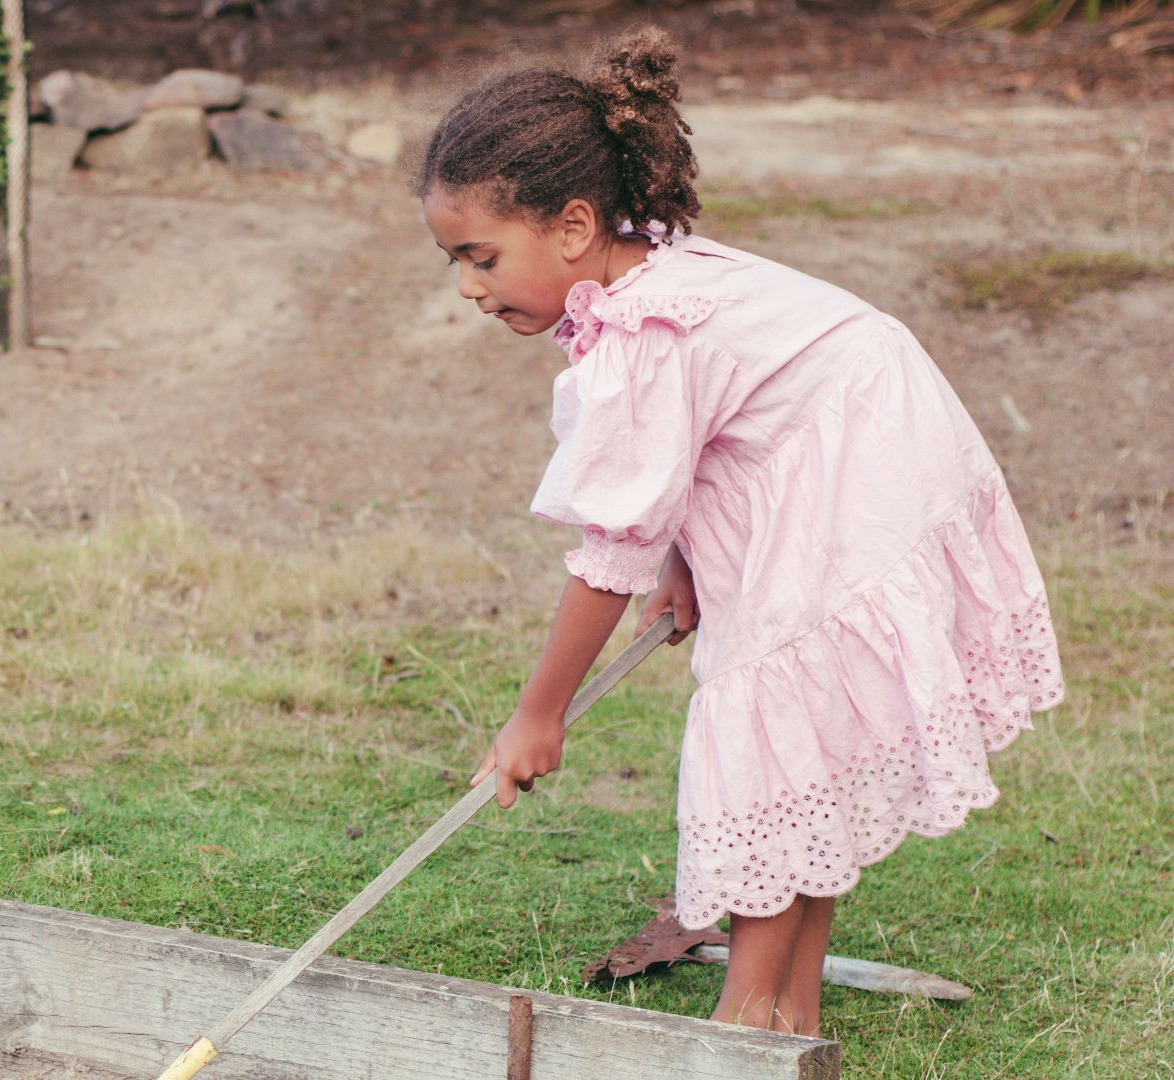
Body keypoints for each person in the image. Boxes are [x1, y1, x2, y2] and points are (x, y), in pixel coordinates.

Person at [420, 30, 1064, 1036]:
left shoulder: (640, 334)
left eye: (481, 256)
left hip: (860, 457)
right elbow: (679, 467)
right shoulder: (645, 284)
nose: (468, 285)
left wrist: (536, 714)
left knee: (766, 714)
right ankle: (789, 1016)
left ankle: (748, 1015)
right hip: (866, 425)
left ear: (576, 225)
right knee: (787, 726)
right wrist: (686, 567)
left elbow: (610, 550)